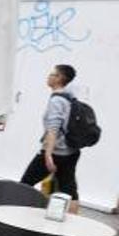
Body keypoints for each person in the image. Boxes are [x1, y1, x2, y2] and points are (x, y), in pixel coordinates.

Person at [19, 64, 81, 209]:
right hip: (71, 152)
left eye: (52, 74)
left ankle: (17, 217)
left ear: (59, 78)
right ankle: (74, 224)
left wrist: (48, 155)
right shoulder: (69, 99)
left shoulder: (57, 101)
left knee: (24, 184)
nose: (49, 76)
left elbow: (53, 130)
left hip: (55, 152)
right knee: (69, 191)